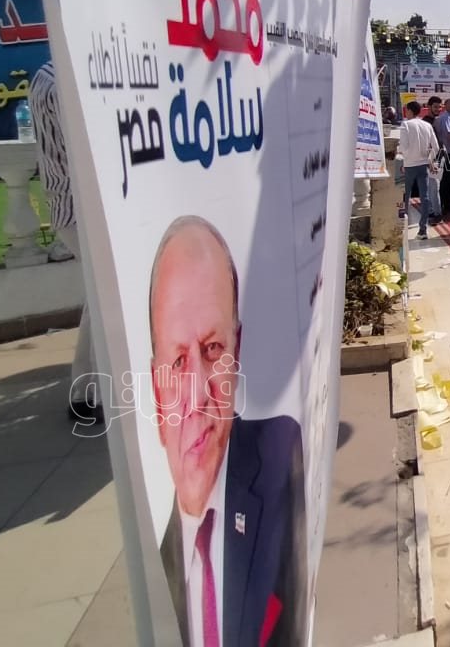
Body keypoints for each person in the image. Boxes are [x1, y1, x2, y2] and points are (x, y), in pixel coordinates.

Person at [149, 216, 306, 647]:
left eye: (213, 349)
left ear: (238, 354)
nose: (198, 392)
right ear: (156, 394)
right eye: (178, 362)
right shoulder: (155, 571)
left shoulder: (280, 459)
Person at [29, 61, 99, 422]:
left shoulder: (46, 75)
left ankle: (87, 391)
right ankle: (91, 394)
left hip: (69, 206)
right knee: (105, 299)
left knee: (99, 298)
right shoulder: (63, 80)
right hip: (80, 208)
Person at [399, 101, 440, 240]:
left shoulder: (406, 125)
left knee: (405, 196)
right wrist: (429, 159)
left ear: (410, 111)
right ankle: (423, 229)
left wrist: (406, 158)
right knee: (425, 196)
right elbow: (436, 147)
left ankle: (402, 227)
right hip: (423, 164)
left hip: (409, 164)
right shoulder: (427, 125)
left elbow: (403, 146)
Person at [423, 97, 443, 223]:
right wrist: (430, 161)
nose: (438, 109)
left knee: (433, 186)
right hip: (432, 158)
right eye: (435, 107)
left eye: (439, 107)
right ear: (429, 107)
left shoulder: (438, 121)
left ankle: (433, 211)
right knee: (433, 186)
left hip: (440, 156)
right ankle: (436, 213)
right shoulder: (426, 123)